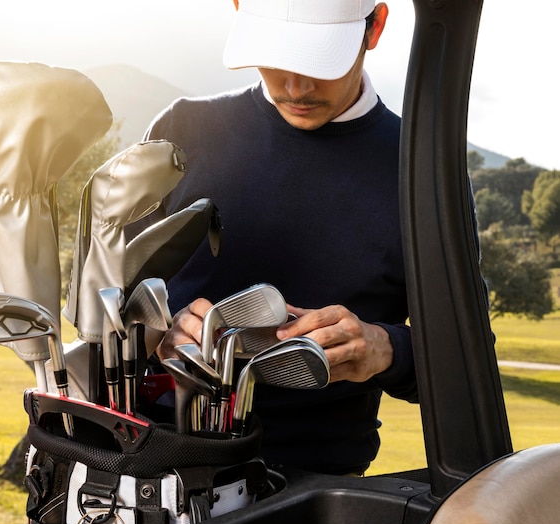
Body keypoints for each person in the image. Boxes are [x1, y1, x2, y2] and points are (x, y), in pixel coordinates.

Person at [135, 0, 418, 478]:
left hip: (318, 501)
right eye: (278, 56)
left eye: (319, 60)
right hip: (153, 472)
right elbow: (107, 305)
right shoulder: (181, 130)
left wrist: (383, 347)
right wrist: (158, 327)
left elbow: (466, 363)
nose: (296, 86)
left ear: (375, 28)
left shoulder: (422, 170)